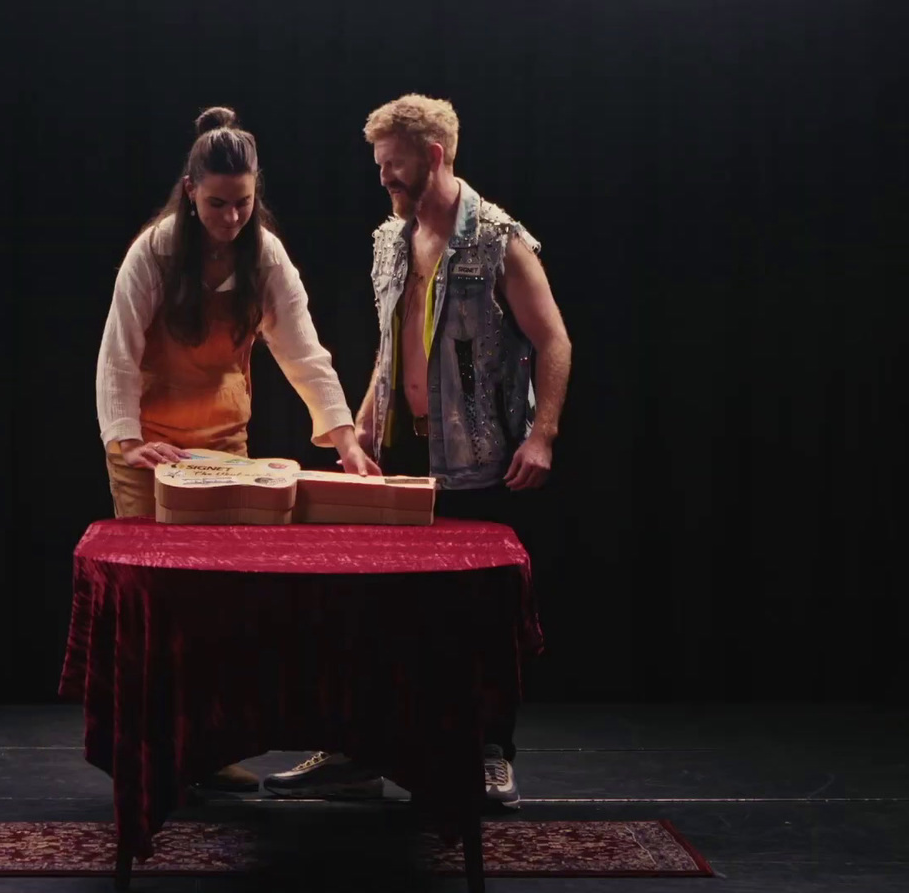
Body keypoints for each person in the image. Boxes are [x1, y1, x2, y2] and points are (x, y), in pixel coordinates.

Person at [263, 95, 573, 809]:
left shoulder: (499, 240)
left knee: (480, 618)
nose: (383, 179)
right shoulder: (389, 240)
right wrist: (363, 425)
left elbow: (553, 338)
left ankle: (491, 754)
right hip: (401, 458)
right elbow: (388, 347)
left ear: (433, 154)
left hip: (481, 462)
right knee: (366, 609)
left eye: (392, 164)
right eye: (379, 165)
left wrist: (543, 432)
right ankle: (356, 751)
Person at [95, 106, 381, 791]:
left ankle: (210, 746)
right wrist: (128, 440)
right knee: (159, 603)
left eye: (244, 203)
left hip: (223, 441)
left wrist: (344, 437)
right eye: (218, 203)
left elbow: (303, 351)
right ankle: (151, 751)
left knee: (220, 605)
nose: (230, 217)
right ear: (190, 190)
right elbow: (118, 357)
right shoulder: (156, 250)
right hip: (149, 448)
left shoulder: (266, 254)